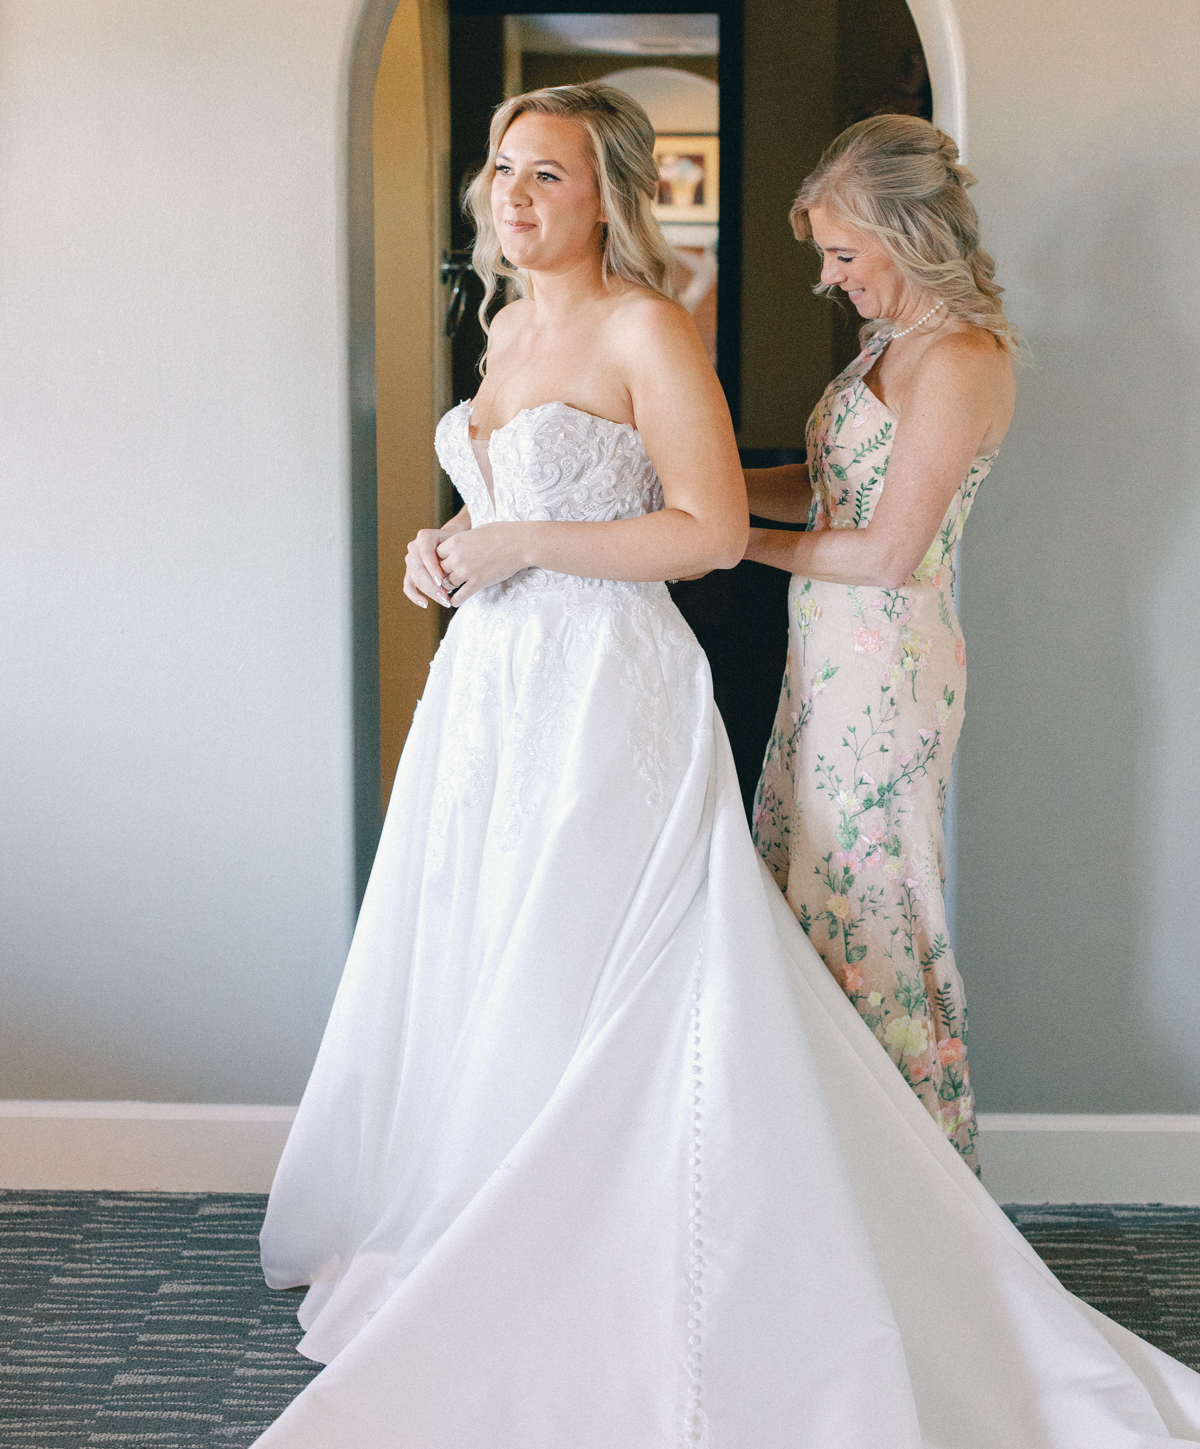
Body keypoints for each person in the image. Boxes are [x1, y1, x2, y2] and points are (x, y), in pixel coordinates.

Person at [254, 85, 1200, 1448]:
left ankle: (846, 1216)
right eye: (503, 170)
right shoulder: (510, 323)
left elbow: (713, 531)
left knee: (740, 945)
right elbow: (541, 495)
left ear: (607, 195)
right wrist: (453, 543)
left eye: (549, 174)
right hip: (506, 681)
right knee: (515, 935)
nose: (514, 196)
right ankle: (502, 1203)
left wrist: (540, 543)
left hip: (691, 676)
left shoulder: (670, 330)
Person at [747, 115, 1016, 1169]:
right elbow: (826, 491)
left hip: (888, 674)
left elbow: (888, 549)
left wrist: (731, 545)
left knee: (878, 922)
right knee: (812, 904)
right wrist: (694, 484)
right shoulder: (886, 345)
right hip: (824, 670)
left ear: (907, 233)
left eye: (844, 253)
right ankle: (833, 1171)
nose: (828, 276)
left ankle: (919, 1180)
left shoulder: (960, 358)